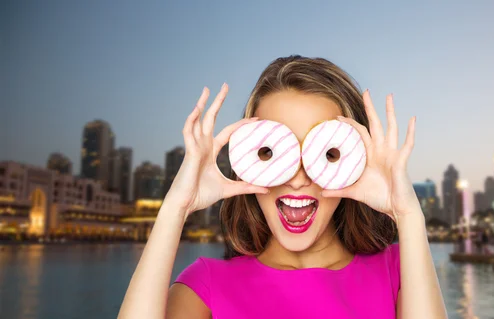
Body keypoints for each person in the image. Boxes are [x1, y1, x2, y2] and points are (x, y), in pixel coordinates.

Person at [117, 56, 447, 318]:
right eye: (271, 153)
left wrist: (408, 214)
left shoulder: (398, 271)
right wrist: (176, 206)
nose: (298, 177)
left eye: (326, 153)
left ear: (355, 161)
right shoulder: (206, 285)